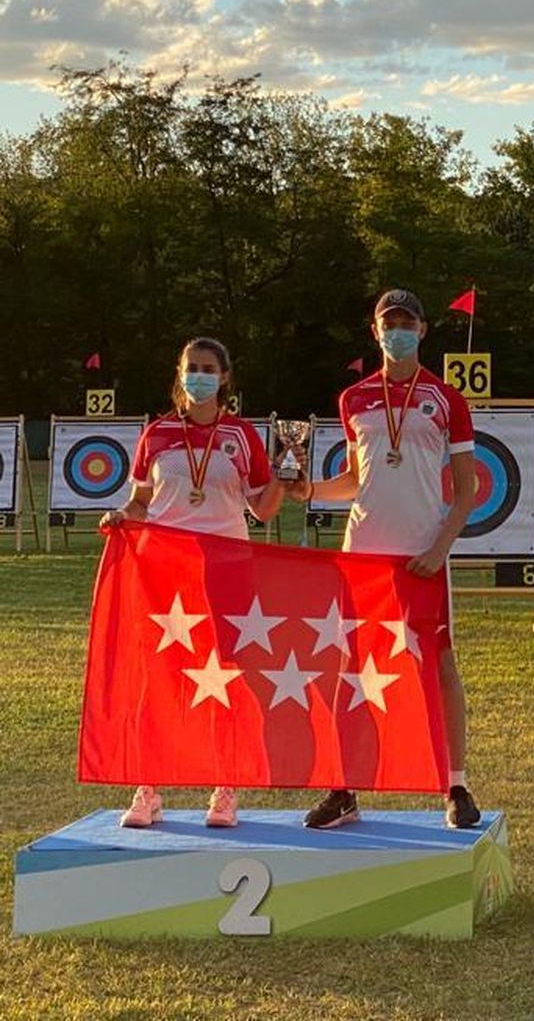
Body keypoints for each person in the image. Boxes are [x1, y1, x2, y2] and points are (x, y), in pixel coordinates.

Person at [288, 290, 481, 829]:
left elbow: (465, 490)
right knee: (350, 670)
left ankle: (456, 784)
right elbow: (355, 480)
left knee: (440, 668)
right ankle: (343, 787)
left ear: (422, 330)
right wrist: (309, 491)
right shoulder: (353, 399)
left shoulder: (446, 400)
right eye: (387, 322)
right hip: (364, 557)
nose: (396, 330)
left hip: (422, 556)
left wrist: (439, 547)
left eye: (406, 322)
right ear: (374, 332)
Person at [102, 337, 289, 828]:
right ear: (180, 372)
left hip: (227, 571)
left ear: (224, 377)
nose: (199, 376)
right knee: (158, 679)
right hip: (165, 572)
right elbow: (141, 502)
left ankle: (224, 788)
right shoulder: (157, 434)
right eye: (192, 368)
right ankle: (149, 788)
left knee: (226, 678)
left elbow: (262, 508)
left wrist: (287, 475)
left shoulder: (242, 436)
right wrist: (122, 515)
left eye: (208, 368)